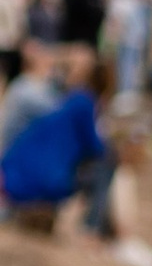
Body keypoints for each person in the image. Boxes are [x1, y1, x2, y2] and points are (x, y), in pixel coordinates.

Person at [2, 44, 120, 238]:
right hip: (42, 176)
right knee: (107, 164)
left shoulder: (71, 98)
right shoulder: (83, 103)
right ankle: (93, 228)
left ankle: (96, 226)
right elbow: (95, 147)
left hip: (19, 166)